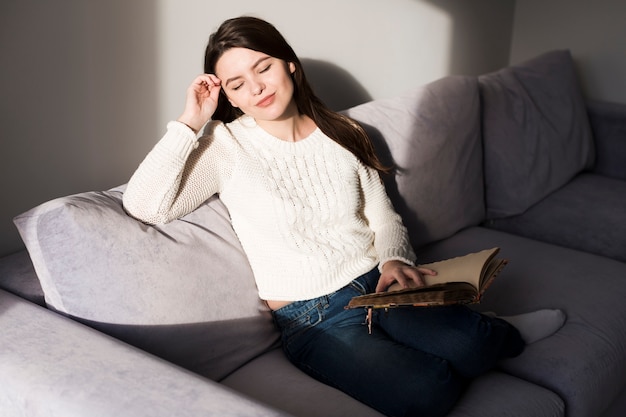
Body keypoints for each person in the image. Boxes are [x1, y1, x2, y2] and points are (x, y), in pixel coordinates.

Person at [123, 16, 565, 417]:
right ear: (228, 96)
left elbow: (385, 218)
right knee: (426, 392)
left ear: (289, 64)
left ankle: (493, 331)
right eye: (236, 84)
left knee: (474, 345)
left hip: (377, 282)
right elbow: (146, 205)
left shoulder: (343, 132)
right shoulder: (225, 147)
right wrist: (189, 121)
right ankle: (459, 332)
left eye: (263, 67)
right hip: (312, 317)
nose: (256, 88)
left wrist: (393, 260)